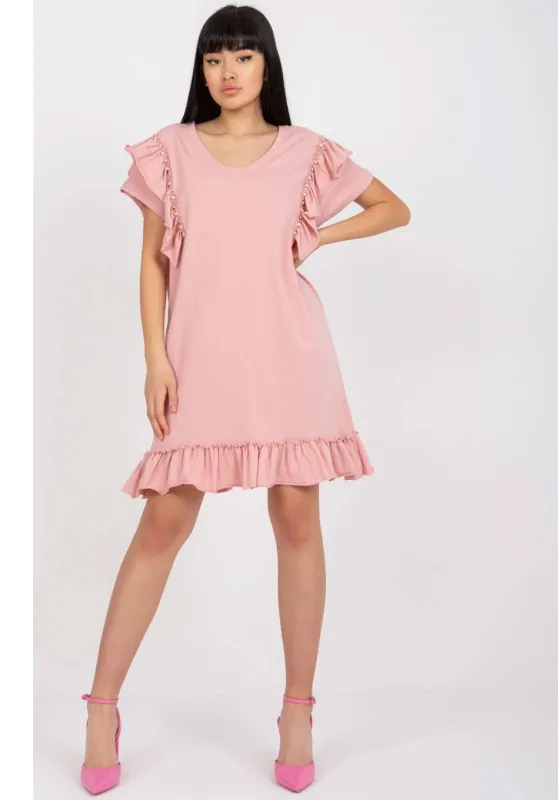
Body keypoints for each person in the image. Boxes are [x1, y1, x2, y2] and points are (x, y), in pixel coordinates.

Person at [80, 3, 411, 795]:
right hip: (199, 360)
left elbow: (392, 209)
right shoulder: (170, 153)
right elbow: (153, 262)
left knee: (296, 519)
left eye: (242, 57)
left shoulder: (305, 153)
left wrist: (317, 235)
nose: (227, 72)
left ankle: (297, 712)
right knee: (163, 523)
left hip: (290, 357)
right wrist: (156, 357)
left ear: (267, 66)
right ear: (202, 69)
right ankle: (101, 708)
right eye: (214, 58)